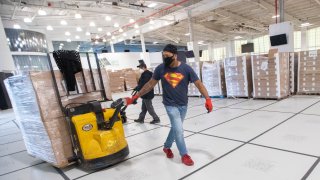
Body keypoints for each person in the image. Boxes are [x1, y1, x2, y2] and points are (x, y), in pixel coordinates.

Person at [126, 44, 213, 166]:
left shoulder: (186, 69)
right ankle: (184, 154)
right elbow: (150, 84)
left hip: (183, 104)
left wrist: (207, 99)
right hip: (169, 105)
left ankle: (167, 147)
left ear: (175, 55)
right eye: (163, 56)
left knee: (175, 128)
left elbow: (199, 84)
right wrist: (136, 96)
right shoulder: (160, 69)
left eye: (167, 56)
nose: (165, 58)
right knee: (179, 130)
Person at [133, 60, 160, 124]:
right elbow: (142, 83)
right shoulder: (145, 74)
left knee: (149, 108)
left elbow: (145, 84)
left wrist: (138, 87)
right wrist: (138, 87)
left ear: (144, 67)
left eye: (140, 68)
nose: (140, 69)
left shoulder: (147, 74)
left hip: (147, 94)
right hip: (145, 94)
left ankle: (156, 119)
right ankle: (141, 118)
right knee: (144, 108)